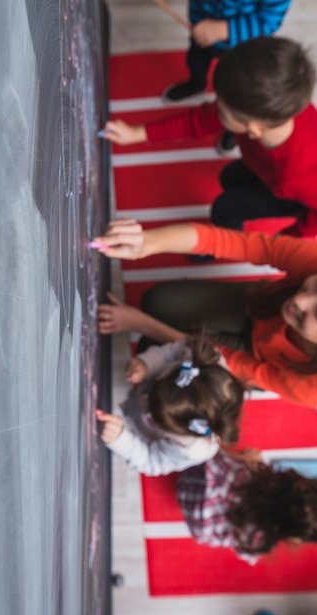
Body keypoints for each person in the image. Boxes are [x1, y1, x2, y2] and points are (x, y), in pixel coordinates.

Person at [102, 37, 317, 239]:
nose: (215, 109)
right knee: (227, 178)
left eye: (222, 110)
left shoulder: (298, 175)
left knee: (224, 209)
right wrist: (136, 133)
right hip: (265, 167)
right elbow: (198, 120)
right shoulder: (274, 106)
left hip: (292, 195)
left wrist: (285, 240)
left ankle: (227, 244)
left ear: (253, 129)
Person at [94, 218, 317, 408]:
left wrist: (144, 325)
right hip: (260, 305)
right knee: (157, 301)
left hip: (253, 360)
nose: (299, 299)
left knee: (155, 354)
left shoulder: (311, 388)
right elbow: (225, 240)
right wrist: (147, 243)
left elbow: (231, 361)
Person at [97, 335, 245, 475]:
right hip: (142, 388)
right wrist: (148, 364)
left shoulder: (193, 449)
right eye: (157, 385)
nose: (149, 410)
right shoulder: (203, 357)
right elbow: (175, 350)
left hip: (139, 432)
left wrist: (121, 439)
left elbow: (152, 461)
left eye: (156, 418)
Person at [175, 448, 317, 563]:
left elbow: (215, 457)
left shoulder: (242, 474)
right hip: (200, 525)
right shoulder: (258, 542)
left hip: (193, 477)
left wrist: (246, 459)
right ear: (296, 537)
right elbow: (246, 552)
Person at [164, 1, 291, 102]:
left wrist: (225, 29)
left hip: (243, 44)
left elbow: (269, 20)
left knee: (236, 85)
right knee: (195, 63)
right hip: (201, 28)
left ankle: (232, 118)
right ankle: (196, 84)